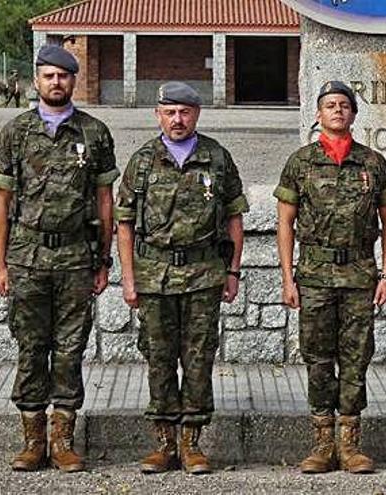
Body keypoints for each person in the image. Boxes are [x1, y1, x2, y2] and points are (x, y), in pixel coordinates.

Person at [0, 45, 117, 472]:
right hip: (27, 257)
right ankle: (32, 441)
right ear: (37, 79)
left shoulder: (94, 133)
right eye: (49, 76)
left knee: (70, 349)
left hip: (75, 259)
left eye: (63, 77)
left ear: (73, 80)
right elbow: (2, 200)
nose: (56, 83)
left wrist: (104, 260)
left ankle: (63, 439)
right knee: (30, 348)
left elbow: (105, 200)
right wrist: (0, 264)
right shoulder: (15, 133)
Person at [114, 82, 248, 475]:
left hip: (203, 274)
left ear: (197, 114)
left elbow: (234, 217)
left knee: (198, 358)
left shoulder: (216, 158)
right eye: (170, 112)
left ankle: (192, 444)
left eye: (185, 112)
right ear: (158, 114)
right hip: (154, 276)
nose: (178, 119)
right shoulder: (142, 161)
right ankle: (163, 444)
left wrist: (233, 270)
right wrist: (128, 277)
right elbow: (124, 224)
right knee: (158, 358)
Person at [275, 80, 386, 474]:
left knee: (356, 357)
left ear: (354, 114)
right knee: (317, 357)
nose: (337, 111)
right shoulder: (300, 162)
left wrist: (385, 273)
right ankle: (322, 442)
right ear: (318, 114)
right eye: (330, 105)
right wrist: (287, 278)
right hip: (313, 274)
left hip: (360, 274)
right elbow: (285, 224)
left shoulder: (373, 163)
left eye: (344, 105)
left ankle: (350, 444)